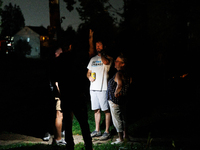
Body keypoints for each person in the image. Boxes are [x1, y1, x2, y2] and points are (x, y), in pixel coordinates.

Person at [87, 34, 113, 140]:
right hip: (93, 88)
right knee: (96, 110)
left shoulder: (109, 58)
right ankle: (97, 130)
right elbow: (88, 72)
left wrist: (101, 54)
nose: (98, 47)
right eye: (96, 45)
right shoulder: (92, 59)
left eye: (100, 45)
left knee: (106, 110)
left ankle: (107, 131)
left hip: (103, 88)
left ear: (104, 47)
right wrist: (89, 77)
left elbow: (105, 62)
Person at [43, 47, 66, 145]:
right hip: (56, 93)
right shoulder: (55, 64)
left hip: (55, 92)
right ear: (57, 54)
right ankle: (57, 137)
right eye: (61, 53)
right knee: (58, 114)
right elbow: (56, 81)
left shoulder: (53, 63)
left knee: (57, 114)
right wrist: (61, 92)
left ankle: (57, 134)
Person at [107, 55, 132, 145]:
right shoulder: (126, 73)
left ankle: (121, 139)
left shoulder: (118, 74)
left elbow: (120, 85)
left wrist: (116, 93)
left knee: (117, 119)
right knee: (123, 118)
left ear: (122, 64)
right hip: (122, 100)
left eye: (117, 61)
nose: (115, 62)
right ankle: (126, 136)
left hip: (115, 101)